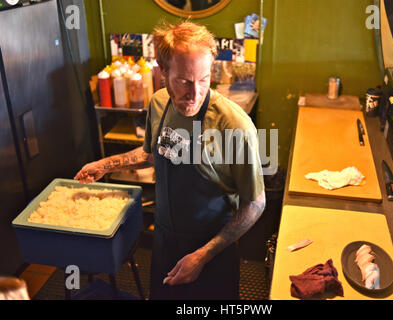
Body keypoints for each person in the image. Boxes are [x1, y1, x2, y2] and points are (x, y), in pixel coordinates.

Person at [74, 21, 266, 300]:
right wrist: (105, 165)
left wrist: (202, 256)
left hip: (212, 250)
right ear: (163, 71)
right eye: (184, 81)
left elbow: (256, 203)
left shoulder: (234, 126)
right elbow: (154, 153)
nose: (195, 94)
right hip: (165, 242)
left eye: (203, 80)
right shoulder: (158, 103)